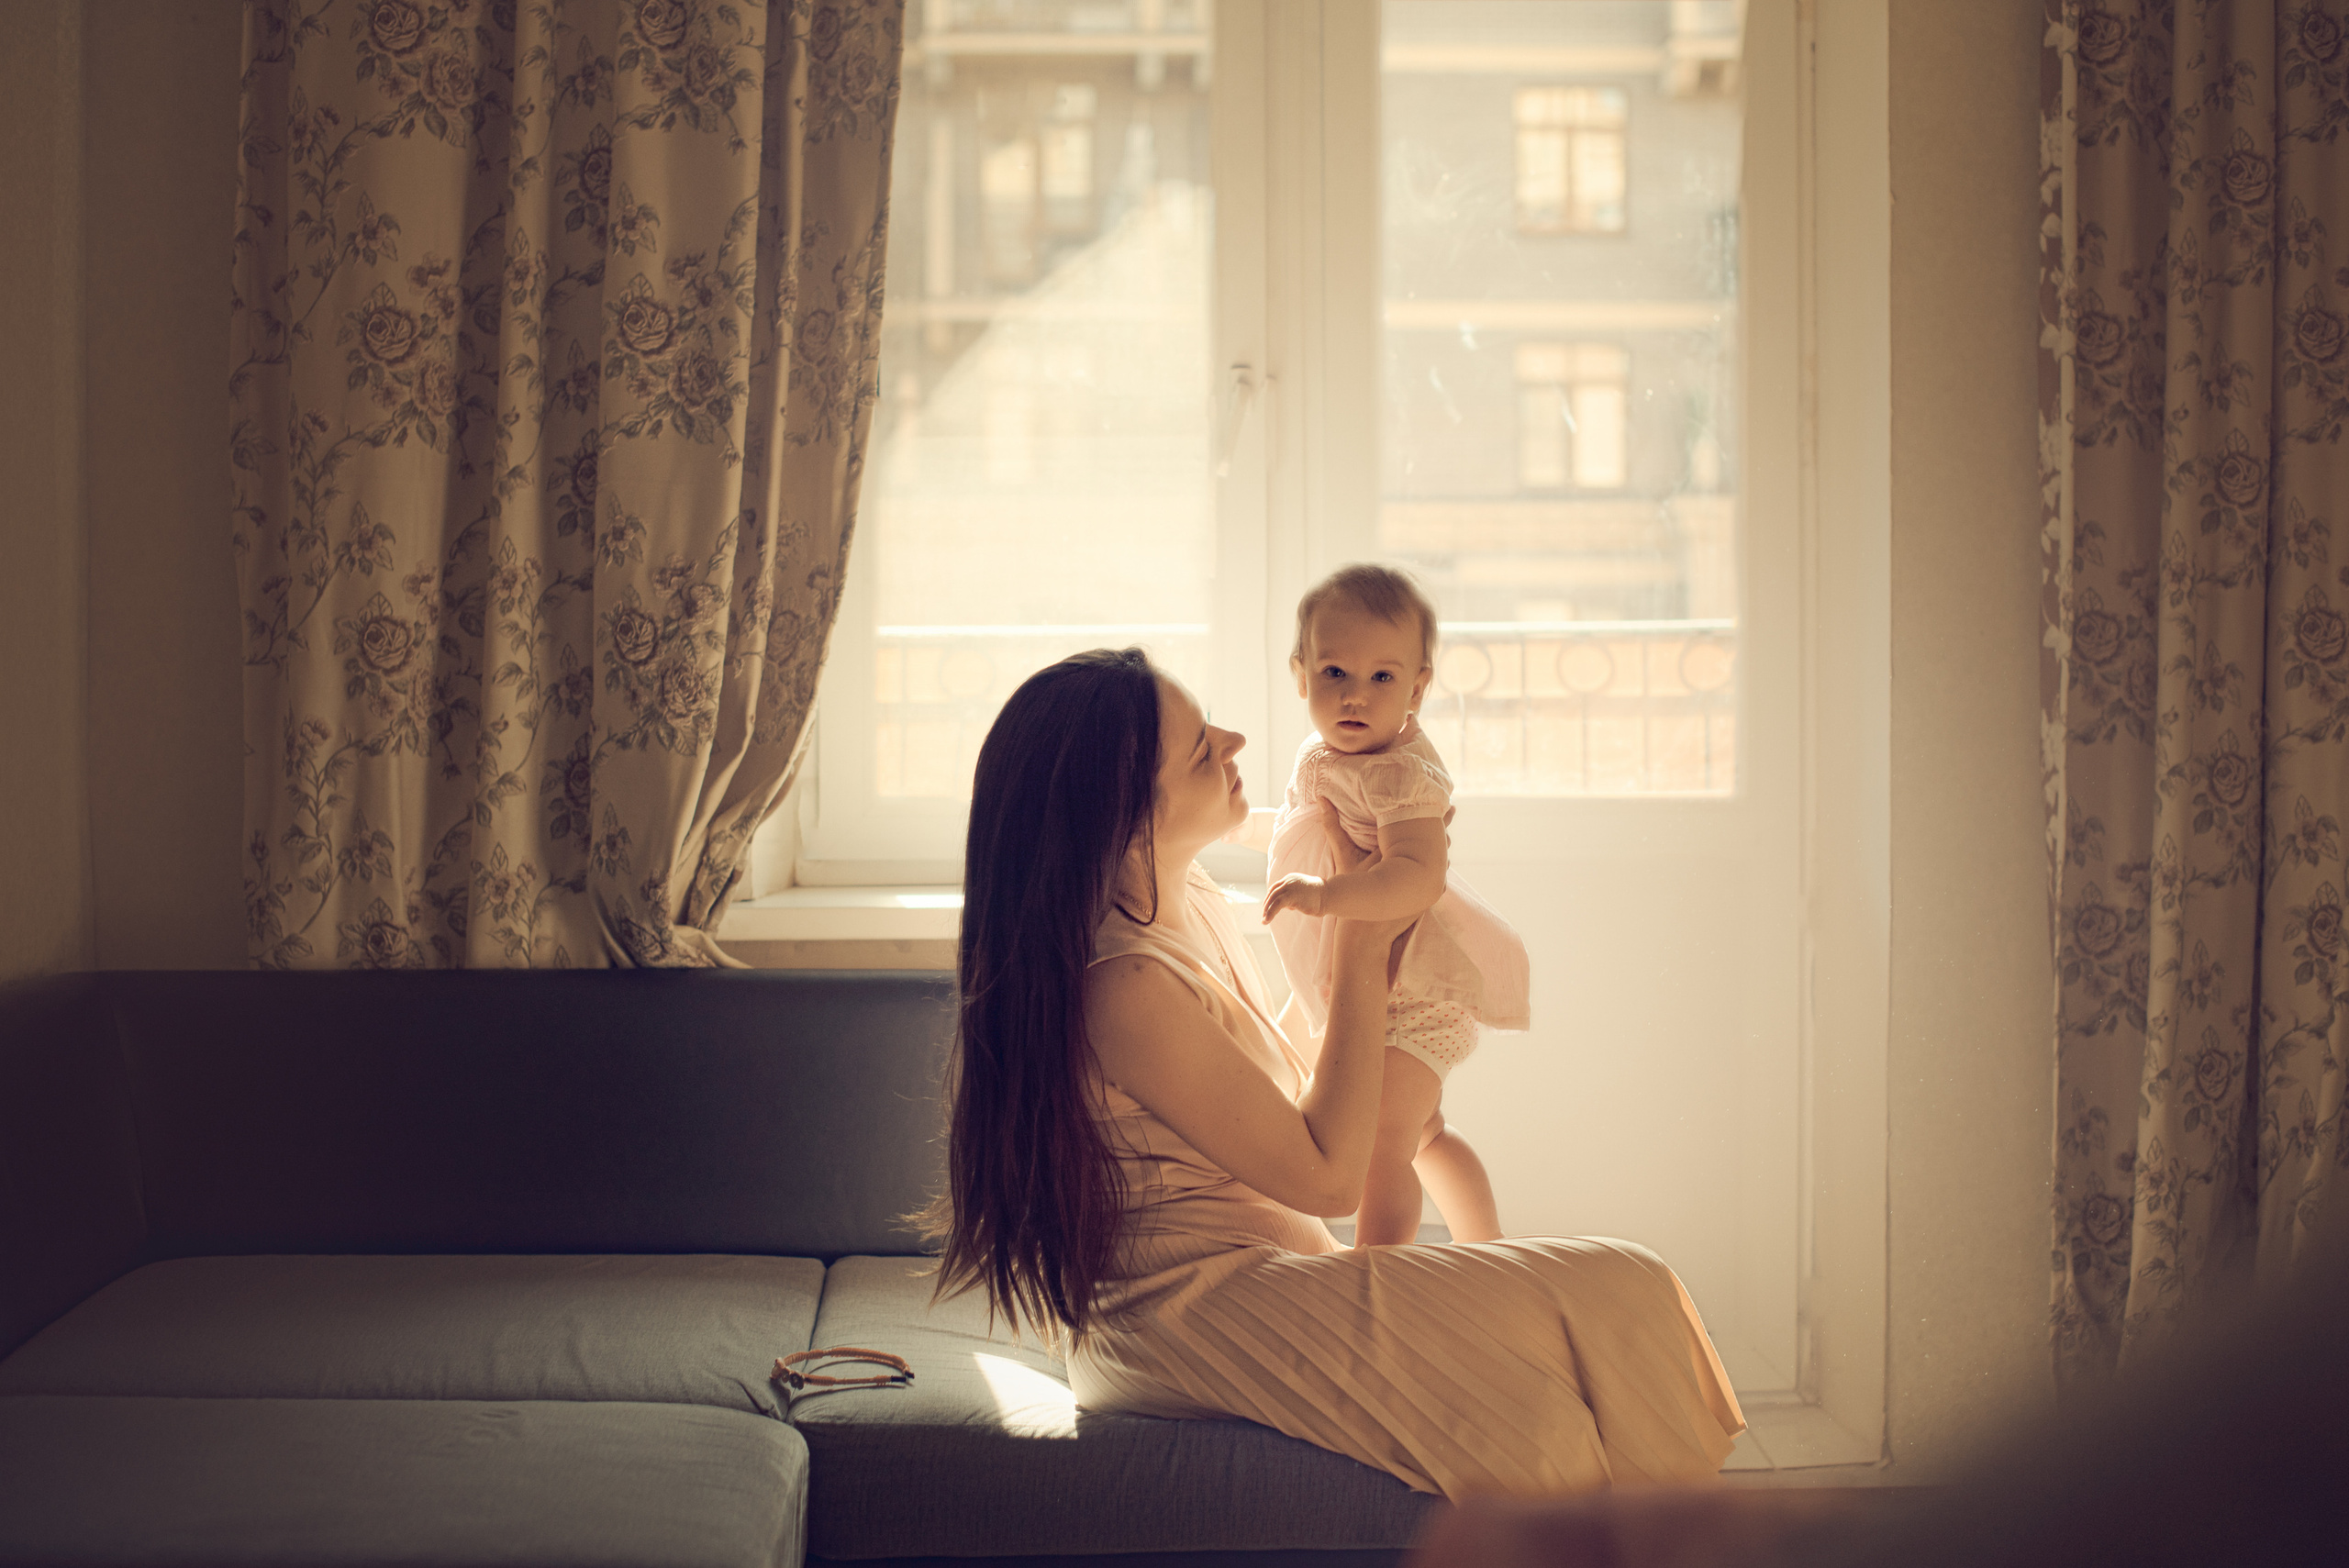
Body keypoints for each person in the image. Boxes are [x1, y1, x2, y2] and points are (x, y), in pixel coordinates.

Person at [928, 646, 1744, 1498]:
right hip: (1188, 1315)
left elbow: (1277, 1078)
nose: (1237, 740)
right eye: (1204, 748)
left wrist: (1391, 954)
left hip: (1257, 1274)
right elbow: (1327, 1177)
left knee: (1565, 1388)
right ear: (1125, 816)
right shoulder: (1124, 985)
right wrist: (1359, 939)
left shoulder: (1189, 897)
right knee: (1622, 1284)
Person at [1256, 563, 1529, 1245]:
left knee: (1383, 1147)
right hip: (1362, 984)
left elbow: (1416, 876)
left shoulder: (1403, 773)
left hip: (1414, 997)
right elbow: (1303, 822)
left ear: (1418, 686)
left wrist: (1327, 897)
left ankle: (1375, 1281)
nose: (1356, 696)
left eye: (1382, 677)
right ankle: (1486, 1249)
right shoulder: (1322, 754)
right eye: (1334, 674)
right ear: (1300, 676)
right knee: (1425, 1132)